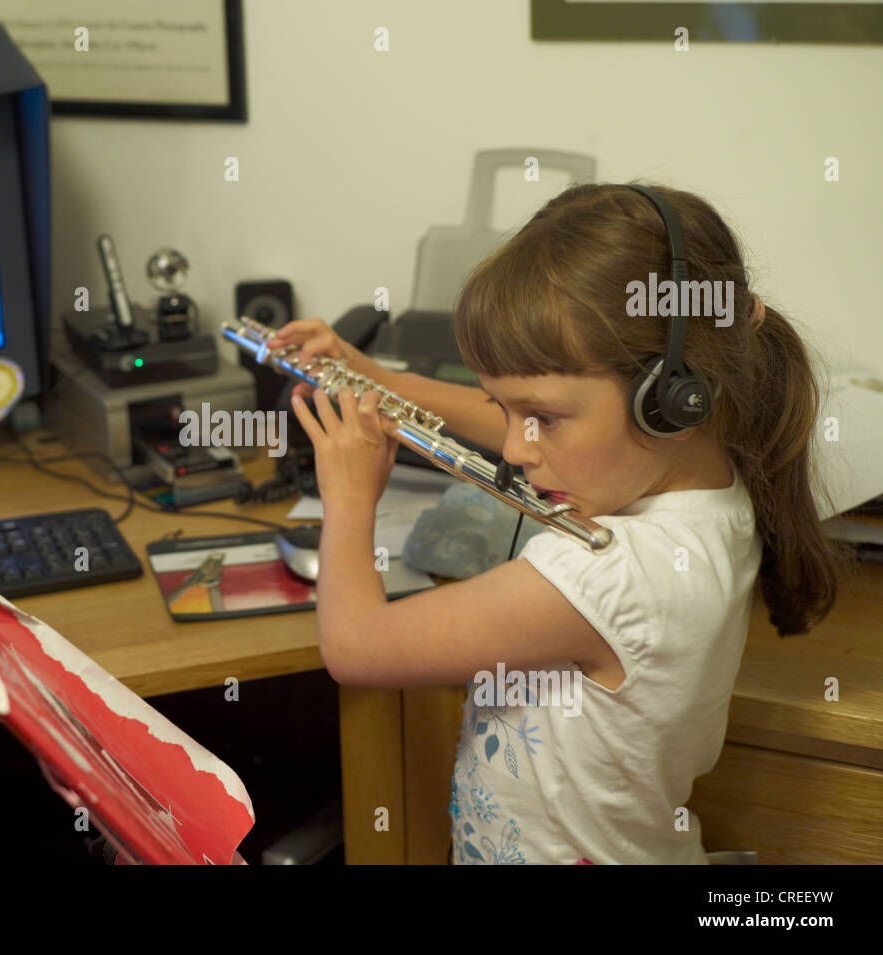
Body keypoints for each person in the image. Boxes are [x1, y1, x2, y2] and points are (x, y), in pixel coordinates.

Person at [265, 182, 856, 865]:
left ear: (668, 402)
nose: (517, 446)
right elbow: (538, 415)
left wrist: (347, 497)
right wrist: (370, 376)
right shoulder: (714, 486)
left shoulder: (601, 573)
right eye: (506, 408)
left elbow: (356, 647)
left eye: (539, 416)